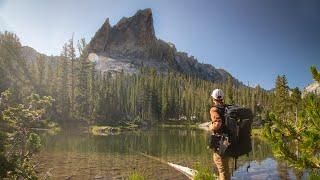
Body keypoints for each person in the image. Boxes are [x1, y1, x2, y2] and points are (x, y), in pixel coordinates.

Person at [209, 89, 230, 180]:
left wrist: (210, 126)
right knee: (225, 168)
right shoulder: (226, 108)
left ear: (213, 98)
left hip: (220, 143)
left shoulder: (214, 109)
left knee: (222, 169)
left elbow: (217, 124)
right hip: (228, 141)